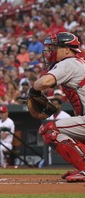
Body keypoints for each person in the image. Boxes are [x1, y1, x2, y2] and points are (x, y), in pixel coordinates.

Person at [30, 32, 85, 182]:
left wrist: (33, 89)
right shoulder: (79, 62)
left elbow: (44, 82)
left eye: (55, 47)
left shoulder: (69, 62)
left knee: (49, 129)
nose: (50, 51)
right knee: (75, 133)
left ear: (67, 50)